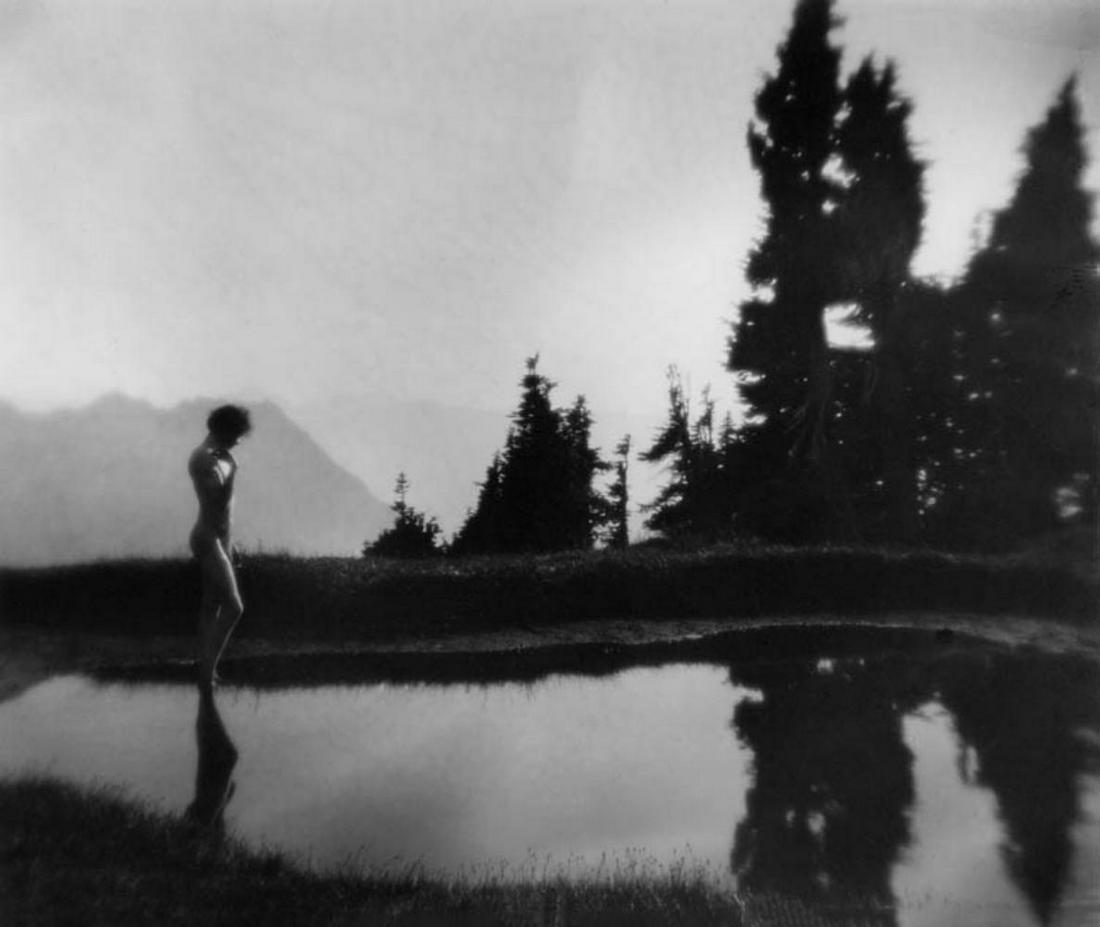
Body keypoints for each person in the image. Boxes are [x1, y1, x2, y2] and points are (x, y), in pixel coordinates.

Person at [188, 404, 251, 690]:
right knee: (234, 607)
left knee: (211, 606)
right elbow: (215, 501)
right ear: (223, 431)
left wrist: (230, 542)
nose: (239, 440)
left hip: (219, 538)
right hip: (206, 538)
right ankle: (206, 673)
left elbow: (225, 513)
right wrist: (231, 470)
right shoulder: (203, 459)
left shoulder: (221, 457)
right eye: (237, 434)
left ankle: (205, 671)